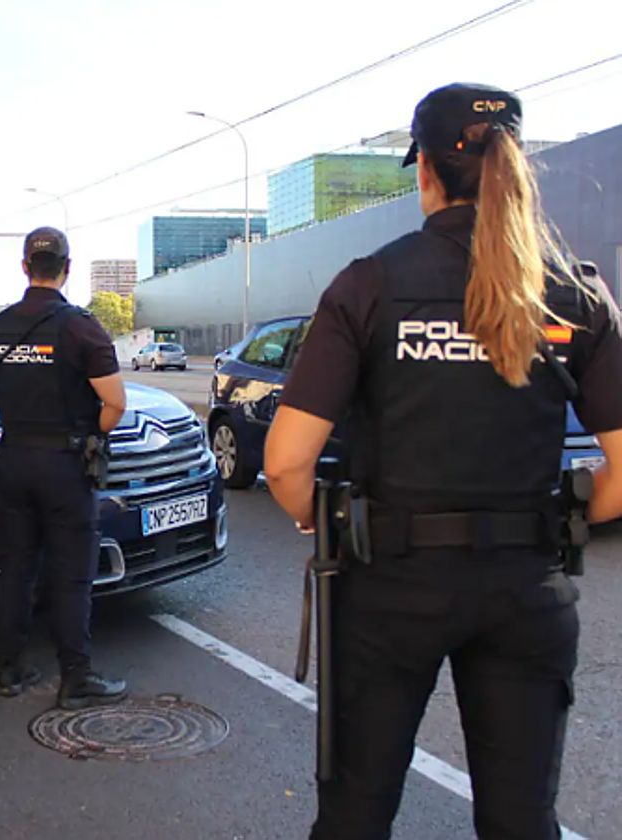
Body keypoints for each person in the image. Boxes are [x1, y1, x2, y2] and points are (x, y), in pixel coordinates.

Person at [263, 82, 622, 839]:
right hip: (527, 590)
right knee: (523, 819)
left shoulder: (369, 283)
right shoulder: (575, 295)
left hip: (391, 588)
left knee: (357, 810)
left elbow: (288, 463)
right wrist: (552, 524)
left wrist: (314, 519)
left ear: (424, 169)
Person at [0, 225, 129, 710]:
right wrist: (92, 435)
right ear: (66, 269)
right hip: (64, 464)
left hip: (15, 458)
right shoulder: (81, 327)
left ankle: (10, 669)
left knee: (16, 567)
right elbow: (115, 404)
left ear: (25, 267)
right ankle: (76, 678)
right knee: (71, 573)